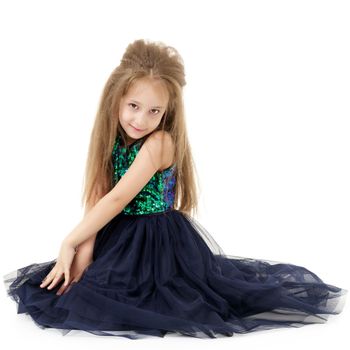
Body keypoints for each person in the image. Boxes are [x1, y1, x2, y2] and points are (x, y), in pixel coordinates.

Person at [3, 38, 348, 340]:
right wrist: (85, 251)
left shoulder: (160, 143)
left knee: (148, 300)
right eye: (133, 107)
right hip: (118, 235)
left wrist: (69, 241)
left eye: (154, 111)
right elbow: (99, 192)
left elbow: (119, 197)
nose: (141, 119)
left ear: (168, 112)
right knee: (68, 288)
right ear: (116, 99)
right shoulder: (113, 137)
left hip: (158, 242)